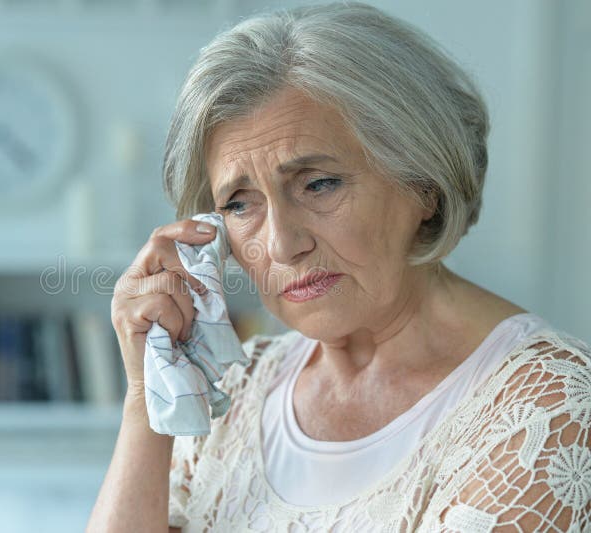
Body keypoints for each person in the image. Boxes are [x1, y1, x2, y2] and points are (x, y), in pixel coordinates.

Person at [88, 3, 591, 531]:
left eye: (319, 184)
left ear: (423, 182)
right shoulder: (233, 389)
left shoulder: (549, 409)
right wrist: (148, 399)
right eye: (240, 203)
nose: (281, 245)